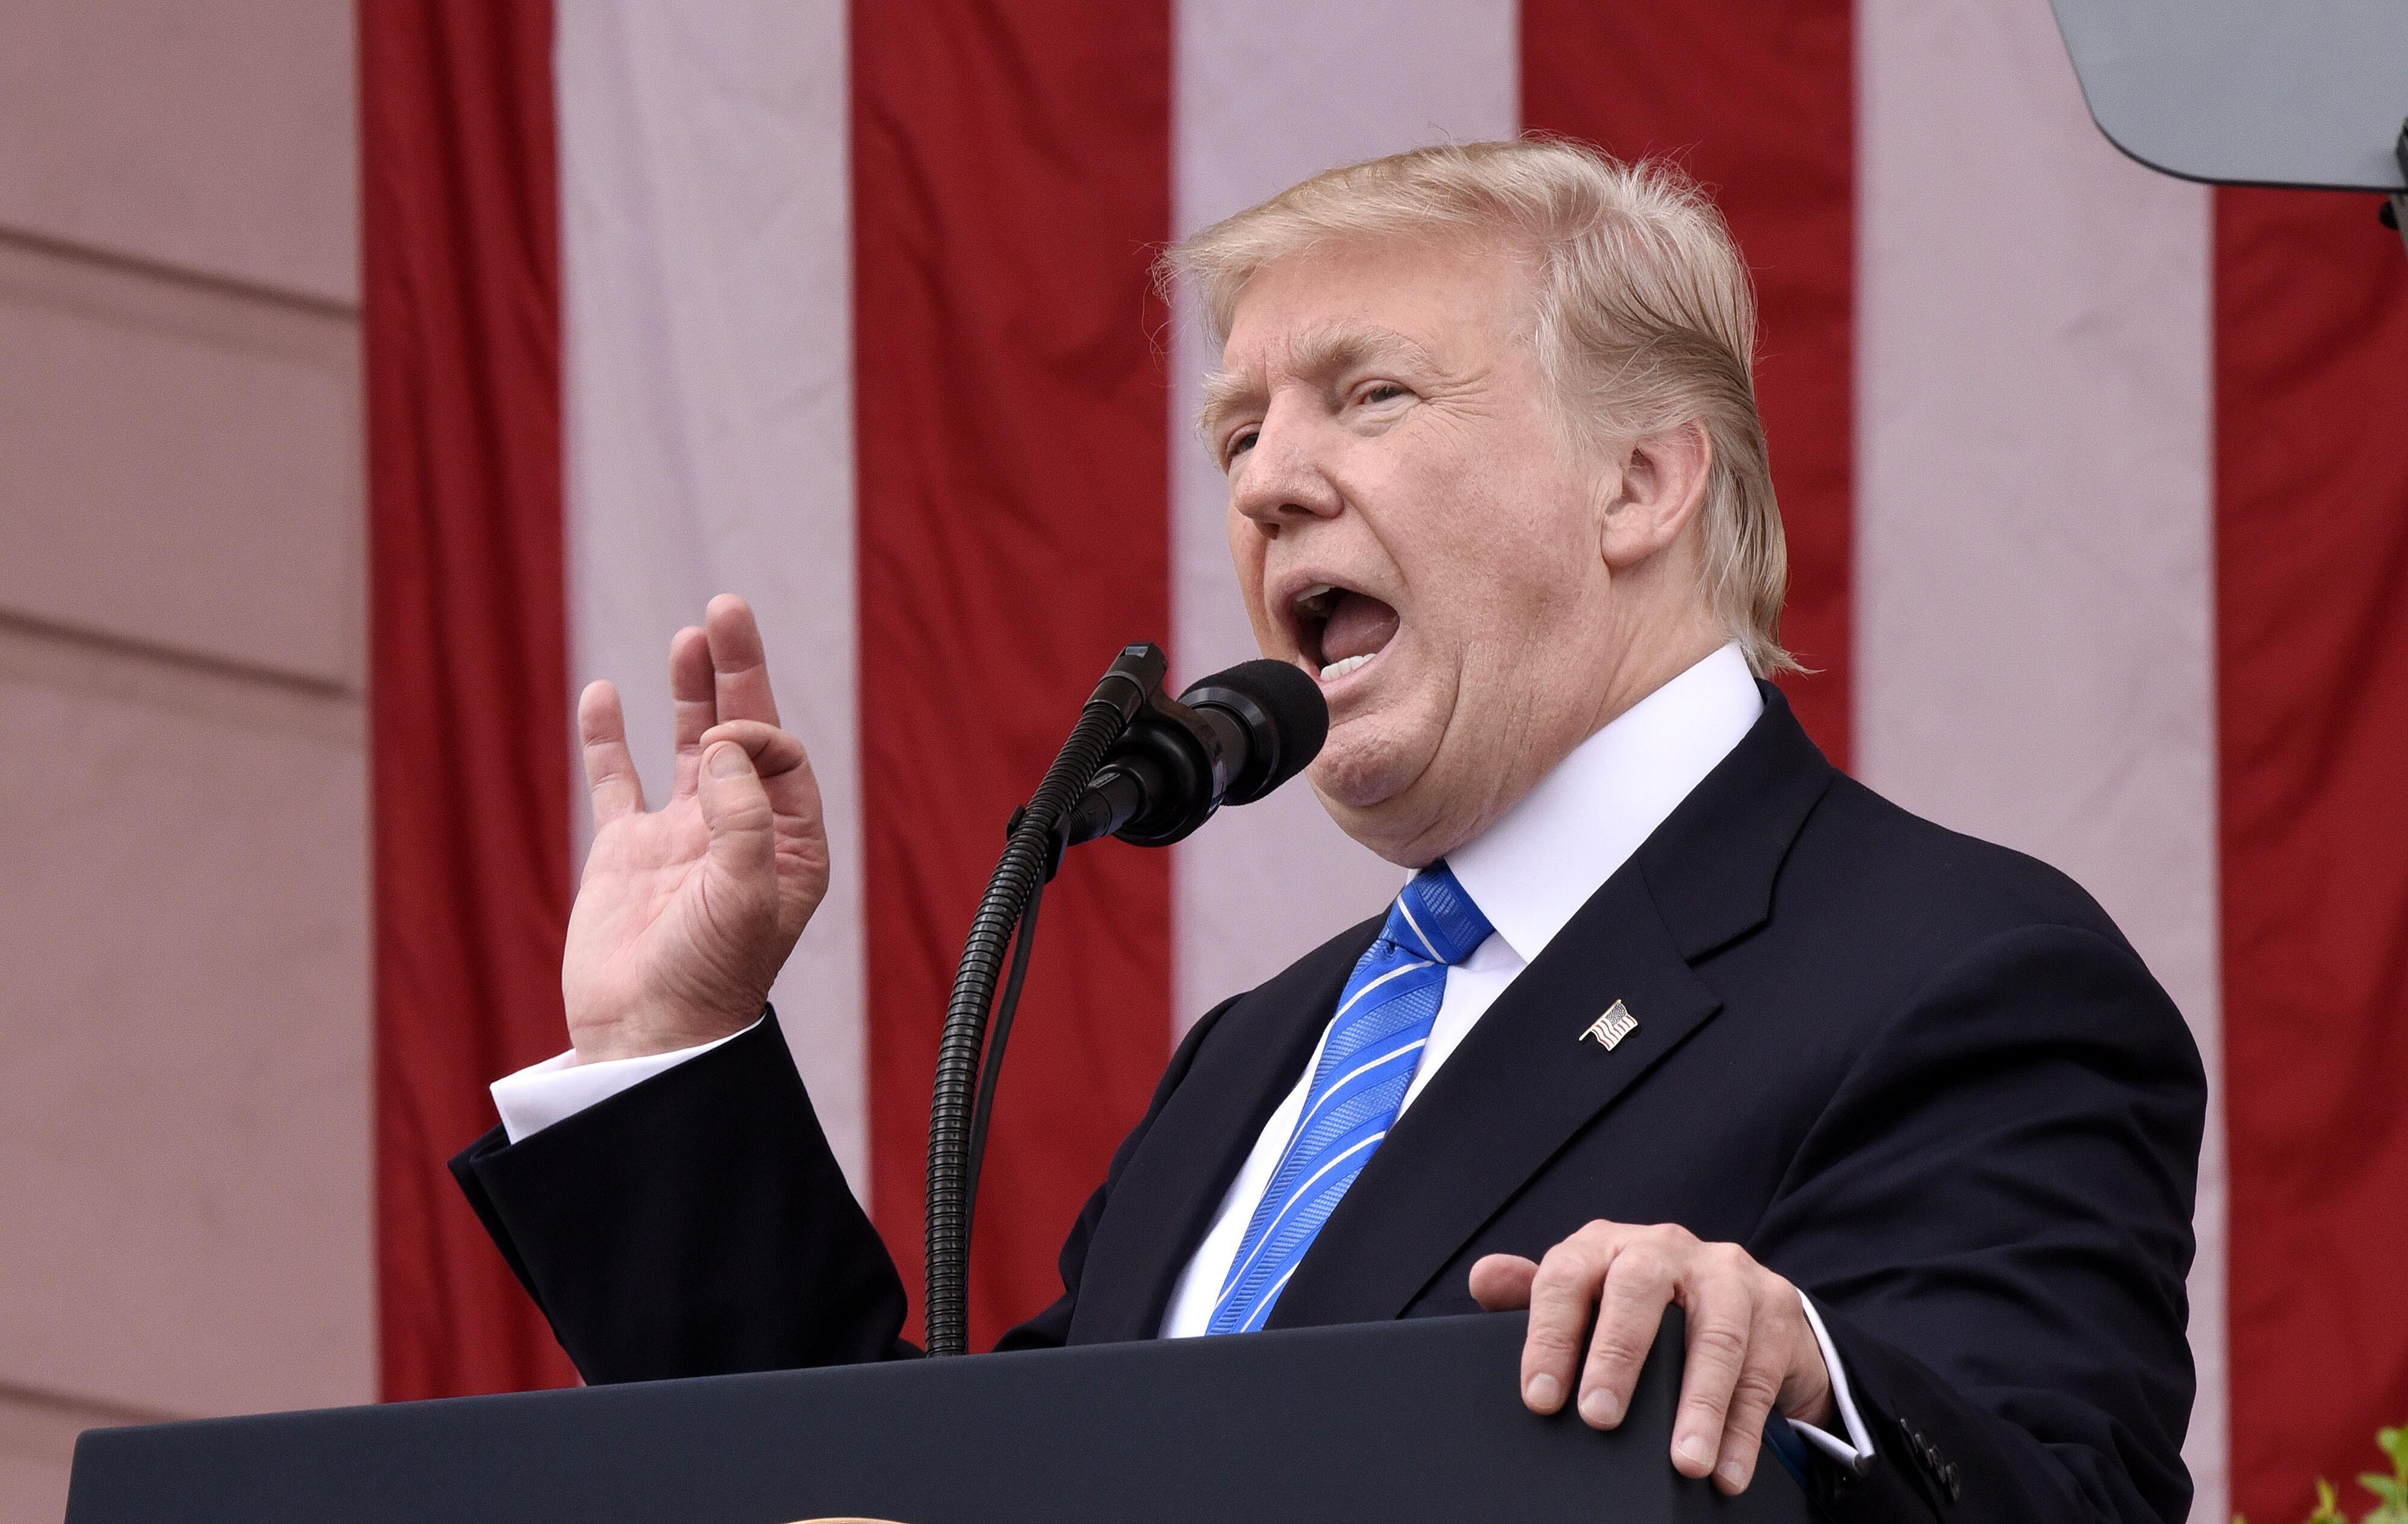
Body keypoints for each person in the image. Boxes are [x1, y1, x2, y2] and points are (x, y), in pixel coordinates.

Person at [452, 140, 2203, 1524]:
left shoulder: (1956, 971)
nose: (1267, 480)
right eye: (1238, 429)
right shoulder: (1258, 1061)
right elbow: (896, 1503)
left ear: (1641, 484)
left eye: (1368, 396)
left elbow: (2054, 1482)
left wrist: (1803, 1374)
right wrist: (667, 1049)